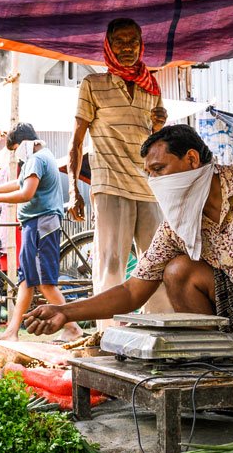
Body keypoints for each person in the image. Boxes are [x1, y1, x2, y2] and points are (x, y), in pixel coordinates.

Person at [26, 125, 233, 372]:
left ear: (191, 159)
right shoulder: (179, 223)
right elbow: (133, 290)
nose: (155, 181)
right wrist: (66, 312)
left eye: (159, 169)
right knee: (178, 270)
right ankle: (228, 365)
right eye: (150, 174)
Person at [69, 18, 169, 302]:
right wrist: (73, 190)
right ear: (109, 46)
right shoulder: (93, 84)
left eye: (133, 42)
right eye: (119, 42)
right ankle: (108, 332)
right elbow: (76, 141)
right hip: (110, 185)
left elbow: (155, 145)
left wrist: (160, 128)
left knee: (155, 264)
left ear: (141, 45)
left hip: (147, 187)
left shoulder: (152, 86)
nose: (127, 48)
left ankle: (158, 333)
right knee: (111, 262)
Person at [0, 124, 76, 342]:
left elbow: (26, 193)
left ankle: (73, 328)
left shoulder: (36, 159)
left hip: (42, 224)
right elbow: (20, 183)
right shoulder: (40, 157)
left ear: (22, 143)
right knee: (26, 281)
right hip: (34, 224)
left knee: (44, 283)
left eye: (14, 149)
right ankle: (12, 331)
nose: (15, 154)